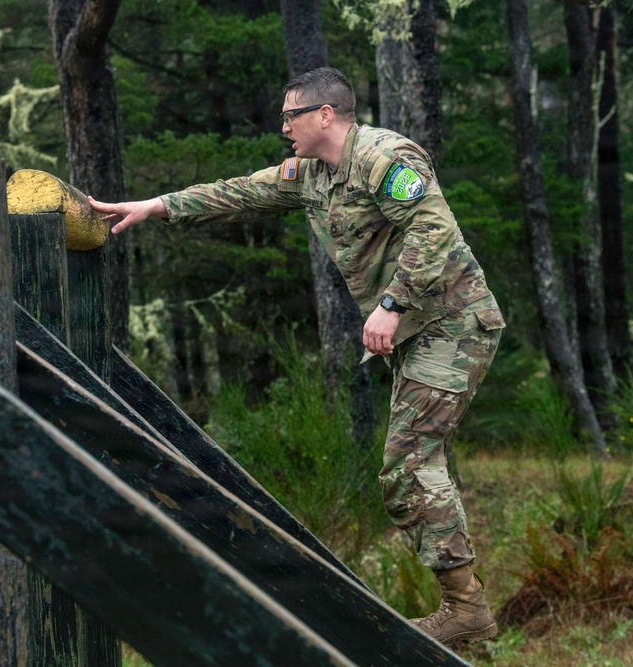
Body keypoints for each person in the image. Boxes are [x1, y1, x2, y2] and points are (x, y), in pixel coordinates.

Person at [89, 67, 504, 648]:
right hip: (416, 333)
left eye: (290, 115)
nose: (282, 127)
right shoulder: (311, 174)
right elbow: (239, 191)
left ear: (325, 115)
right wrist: (155, 206)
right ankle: (467, 607)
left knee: (408, 466)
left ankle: (467, 610)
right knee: (418, 465)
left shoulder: (385, 158)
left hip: (452, 322)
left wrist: (390, 303)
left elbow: (434, 228)